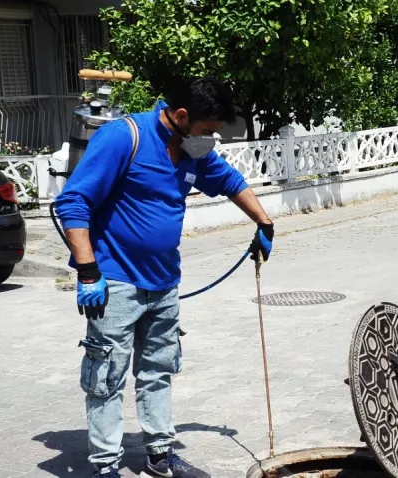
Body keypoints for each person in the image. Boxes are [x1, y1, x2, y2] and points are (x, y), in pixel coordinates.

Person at [53, 77, 275, 478]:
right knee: (107, 376)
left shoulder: (192, 150)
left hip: (164, 282)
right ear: (182, 115)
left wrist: (263, 221)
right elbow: (73, 201)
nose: (212, 140)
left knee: (159, 369)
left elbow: (229, 181)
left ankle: (159, 453)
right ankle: (105, 466)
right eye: (208, 131)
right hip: (115, 281)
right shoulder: (125, 138)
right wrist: (88, 271)